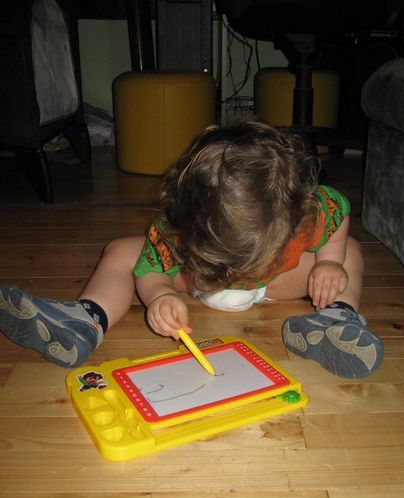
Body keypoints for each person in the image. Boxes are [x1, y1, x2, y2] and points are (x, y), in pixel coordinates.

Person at [0, 120, 383, 378]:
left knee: (349, 251)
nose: (235, 272)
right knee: (120, 252)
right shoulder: (180, 224)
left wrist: (330, 263)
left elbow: (340, 217)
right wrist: (160, 295)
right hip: (196, 277)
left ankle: (337, 318)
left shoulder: (308, 207)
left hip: (276, 281)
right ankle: (86, 319)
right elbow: (152, 269)